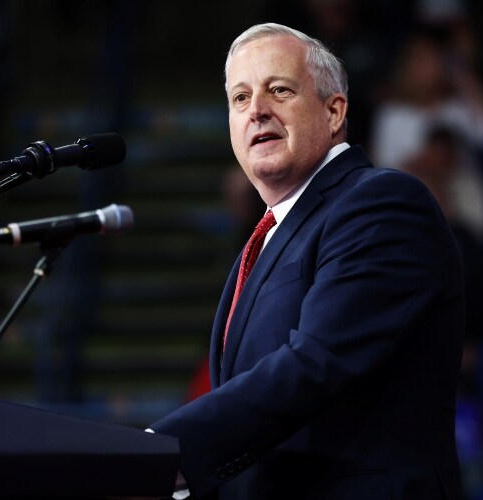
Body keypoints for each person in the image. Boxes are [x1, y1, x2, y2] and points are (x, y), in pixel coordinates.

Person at [150, 23, 464, 500]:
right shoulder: (266, 239)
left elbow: (319, 361)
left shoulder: (381, 203)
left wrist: (161, 451)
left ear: (334, 111)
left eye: (279, 90)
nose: (256, 110)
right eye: (240, 98)